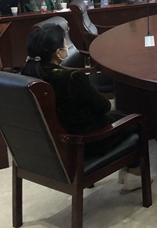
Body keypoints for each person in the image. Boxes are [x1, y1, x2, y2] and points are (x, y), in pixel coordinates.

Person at [20, 24, 144, 190]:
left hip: (50, 147)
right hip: (84, 143)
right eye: (65, 44)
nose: (67, 47)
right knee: (133, 121)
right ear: (58, 53)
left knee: (120, 115)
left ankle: (128, 171)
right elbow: (104, 106)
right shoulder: (71, 78)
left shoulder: (26, 77)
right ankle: (134, 174)